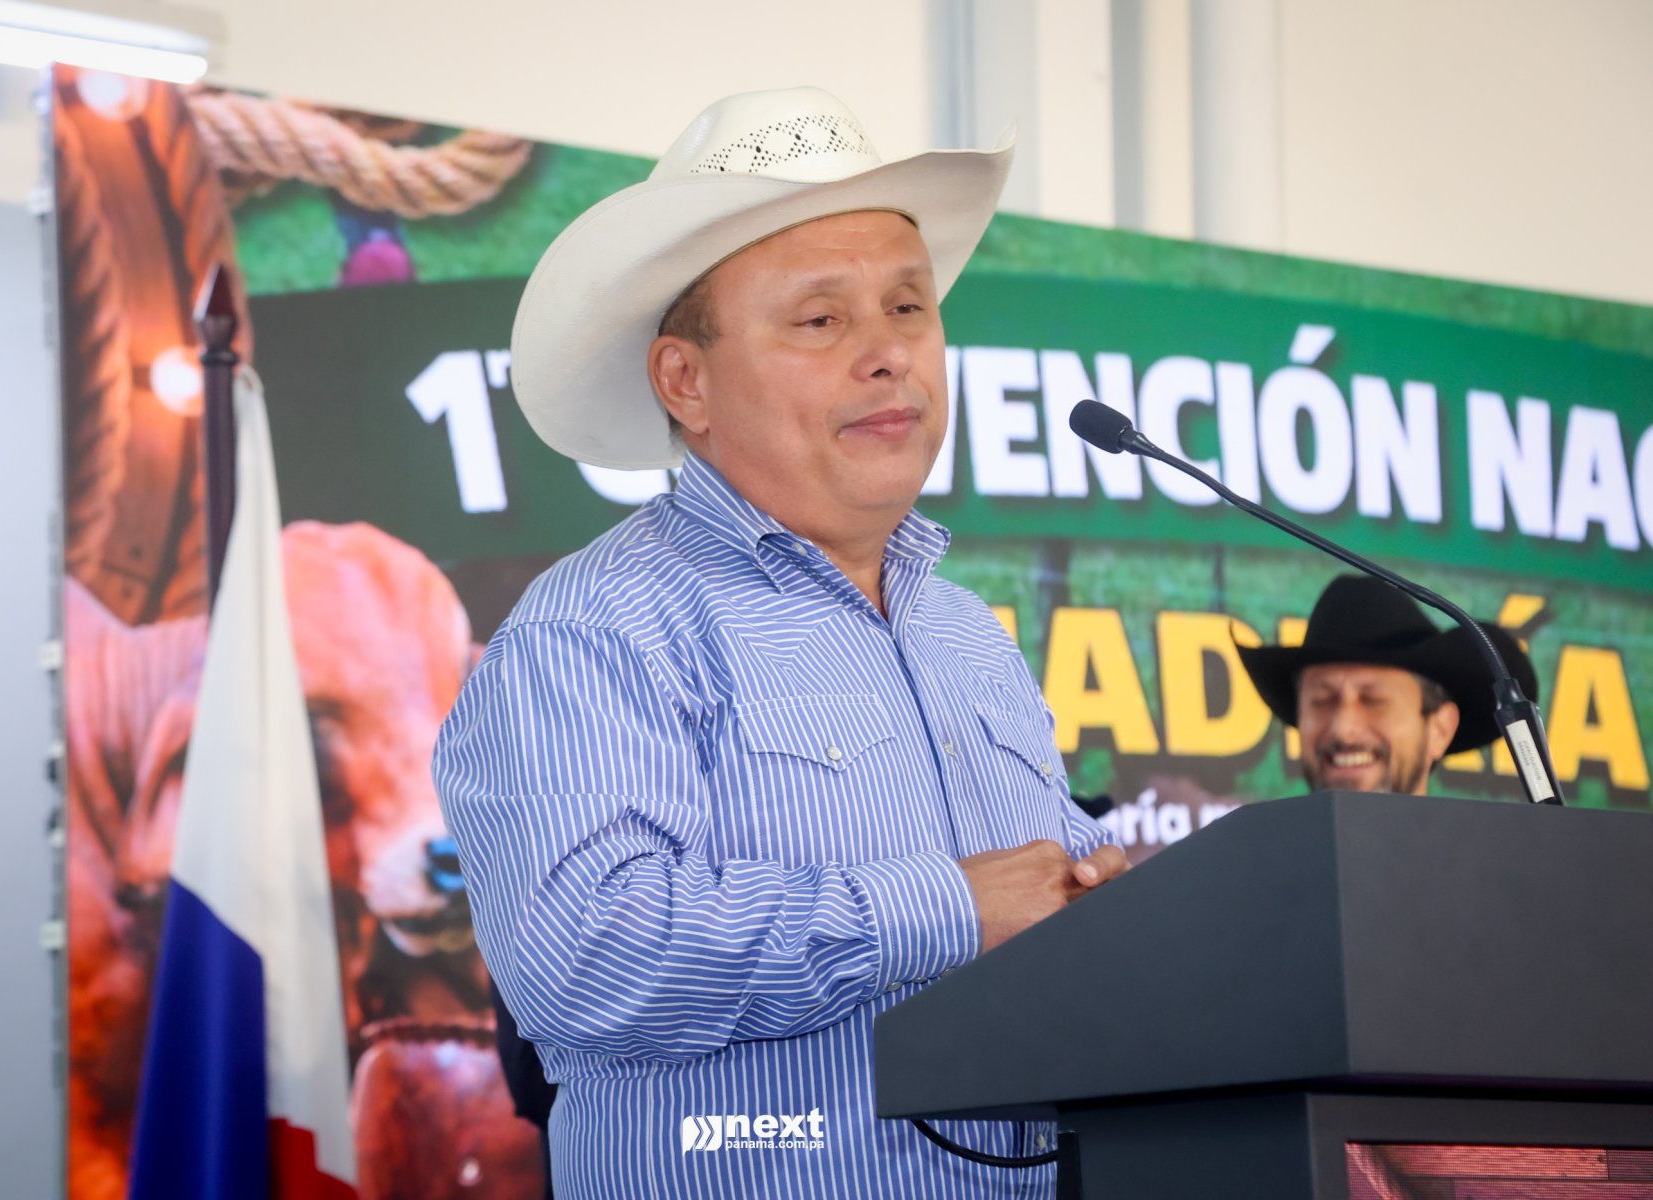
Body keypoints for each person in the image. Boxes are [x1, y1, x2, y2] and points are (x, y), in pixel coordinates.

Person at [432, 86, 1126, 1198]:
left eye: (909, 306)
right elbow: (583, 958)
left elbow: (1037, 894)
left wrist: (1112, 901)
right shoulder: (594, 631)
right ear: (686, 382)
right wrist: (945, 906)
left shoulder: (965, 632)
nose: (890, 354)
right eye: (820, 320)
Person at [1235, 574, 1539, 796]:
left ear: (1440, 729)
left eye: (1373, 700)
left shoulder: (1488, 866)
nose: (1343, 729)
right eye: (1322, 700)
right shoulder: (1251, 865)